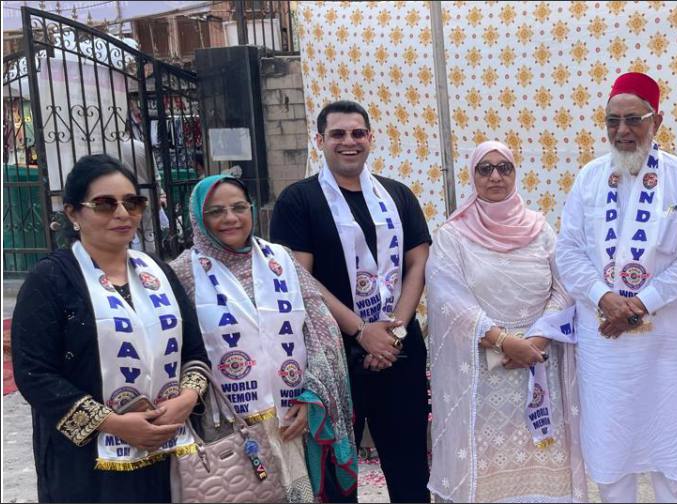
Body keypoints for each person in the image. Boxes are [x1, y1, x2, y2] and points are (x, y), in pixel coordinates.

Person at [11, 154, 209, 502]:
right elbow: (34, 374)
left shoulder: (157, 273)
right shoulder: (51, 279)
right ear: (73, 213)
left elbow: (195, 353)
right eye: (104, 204)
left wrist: (187, 399)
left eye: (132, 203)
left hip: (167, 452)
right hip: (88, 465)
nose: (122, 213)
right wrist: (113, 423)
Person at [555, 72, 677, 502]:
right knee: (611, 453)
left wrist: (641, 303)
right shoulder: (589, 177)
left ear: (656, 121)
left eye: (633, 120)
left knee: (675, 454)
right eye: (612, 121)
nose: (622, 131)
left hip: (669, 343)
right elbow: (567, 250)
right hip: (606, 346)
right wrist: (604, 297)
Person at [270, 100, 432, 502]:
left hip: (399, 352)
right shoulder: (299, 200)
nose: (349, 142)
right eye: (338, 134)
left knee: (411, 470)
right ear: (320, 140)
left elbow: (418, 263)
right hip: (333, 356)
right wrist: (361, 332)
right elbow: (299, 278)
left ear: (370, 138)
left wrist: (392, 333)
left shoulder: (398, 195)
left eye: (358, 133)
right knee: (336, 474)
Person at [168, 174, 357, 501]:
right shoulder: (183, 272)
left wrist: (312, 396)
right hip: (228, 430)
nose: (230, 218)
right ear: (198, 218)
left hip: (294, 420)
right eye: (216, 211)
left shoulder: (281, 259)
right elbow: (179, 352)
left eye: (239, 207)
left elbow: (321, 330)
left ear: (251, 209)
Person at [427, 141, 589, 502]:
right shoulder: (452, 236)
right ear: (473, 176)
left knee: (542, 456)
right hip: (484, 375)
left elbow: (565, 288)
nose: (495, 176)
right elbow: (448, 298)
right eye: (485, 169)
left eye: (504, 168)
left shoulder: (540, 229)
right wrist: (504, 341)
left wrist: (536, 341)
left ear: (515, 174)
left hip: (539, 364)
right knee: (487, 463)